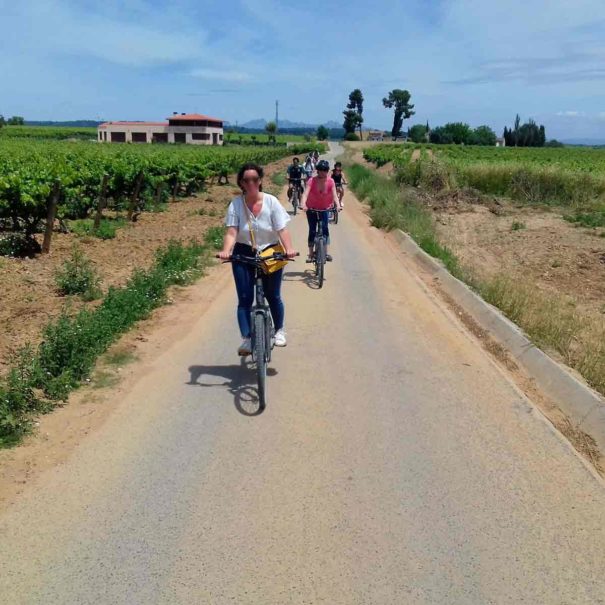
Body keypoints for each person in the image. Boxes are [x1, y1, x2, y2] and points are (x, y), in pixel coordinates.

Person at [219, 162, 296, 355]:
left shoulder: (271, 202)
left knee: (273, 295)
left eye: (254, 179)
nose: (251, 183)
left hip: (270, 252)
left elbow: (282, 229)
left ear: (260, 181)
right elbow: (231, 231)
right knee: (244, 299)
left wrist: (289, 249)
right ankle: (247, 338)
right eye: (247, 180)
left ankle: (279, 330)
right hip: (244, 252)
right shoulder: (236, 204)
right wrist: (226, 250)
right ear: (241, 183)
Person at [301, 159, 342, 263]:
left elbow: (334, 195)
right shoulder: (311, 181)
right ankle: (310, 254)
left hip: (324, 209)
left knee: (325, 229)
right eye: (320, 170)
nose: (323, 172)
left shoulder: (330, 181)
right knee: (312, 230)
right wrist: (303, 204)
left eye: (325, 170)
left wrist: (337, 205)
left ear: (327, 171)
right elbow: (305, 194)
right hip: (312, 209)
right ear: (317, 170)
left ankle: (326, 253)